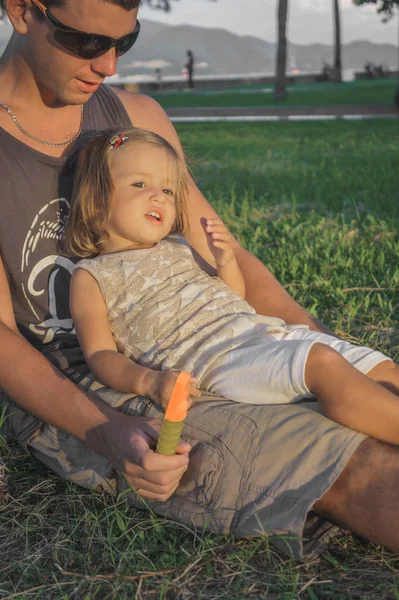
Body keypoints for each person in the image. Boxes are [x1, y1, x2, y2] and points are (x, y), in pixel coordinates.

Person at [0, 0, 398, 559]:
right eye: (87, 42)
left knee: (374, 386)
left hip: (223, 338)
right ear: (22, 10)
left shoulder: (137, 118)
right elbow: (3, 340)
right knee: (355, 461)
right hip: (100, 380)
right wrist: (106, 429)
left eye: (125, 42)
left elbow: (223, 249)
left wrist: (311, 334)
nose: (109, 65)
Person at [65, 127, 399, 444]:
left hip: (263, 334)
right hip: (219, 360)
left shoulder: (178, 246)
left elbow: (232, 298)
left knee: (379, 367)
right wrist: (147, 381)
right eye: (139, 184)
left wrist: (225, 263)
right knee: (321, 364)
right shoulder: (92, 275)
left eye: (167, 190)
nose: (159, 197)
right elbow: (99, 353)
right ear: (95, 202)